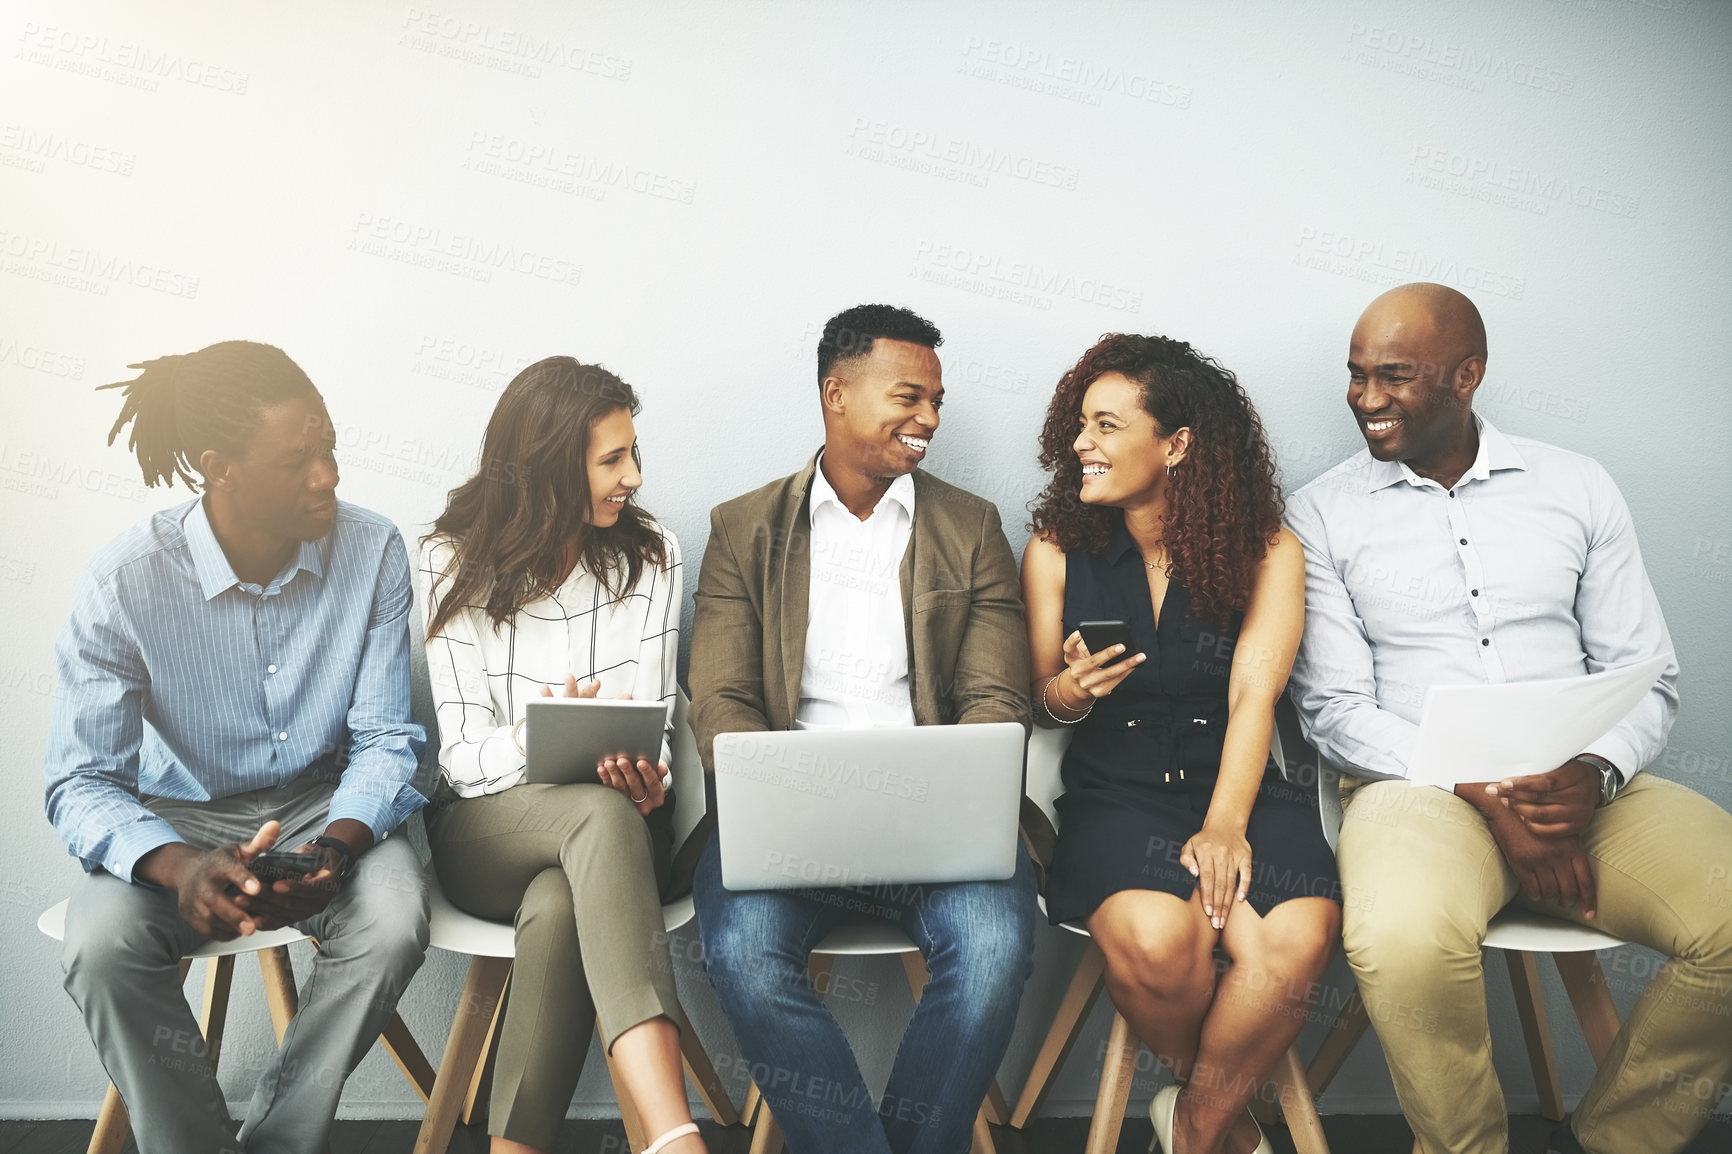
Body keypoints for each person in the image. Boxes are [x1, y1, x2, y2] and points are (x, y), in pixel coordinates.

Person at [1286, 283, 1732, 1154]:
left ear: (1467, 376)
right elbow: (1331, 710)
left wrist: (1594, 773)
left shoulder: (1577, 485)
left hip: (1585, 783)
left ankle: (1611, 1141)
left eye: (1395, 376)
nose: (1366, 399)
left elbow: (1648, 675)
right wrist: (1486, 789)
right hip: (1415, 787)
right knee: (1403, 941)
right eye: (1356, 375)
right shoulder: (1321, 512)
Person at [45, 341, 430, 1154]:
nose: (328, 475)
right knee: (101, 945)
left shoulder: (376, 550)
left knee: (394, 920)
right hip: (180, 822)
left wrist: (334, 847)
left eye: (329, 448)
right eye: (298, 460)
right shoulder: (125, 581)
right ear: (221, 468)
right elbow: (81, 783)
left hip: (329, 806)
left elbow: (387, 739)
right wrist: (180, 867)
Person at [686, 304, 1038, 1154]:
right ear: (836, 393)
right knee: (739, 951)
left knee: (993, 950)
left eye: (938, 402)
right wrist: (783, 790)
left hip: (937, 824)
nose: (929, 421)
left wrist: (946, 783)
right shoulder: (743, 528)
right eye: (909, 397)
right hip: (790, 824)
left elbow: (998, 699)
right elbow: (722, 700)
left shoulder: (971, 526)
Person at [1022, 334, 1341, 1154]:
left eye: (1104, 426)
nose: (1080, 446)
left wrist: (1226, 823)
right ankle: (1232, 1135)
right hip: (1115, 794)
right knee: (1163, 942)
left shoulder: (1270, 550)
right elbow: (1040, 705)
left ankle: (1192, 1127)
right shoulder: (1056, 550)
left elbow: (1252, 695)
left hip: (1238, 785)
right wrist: (1066, 692)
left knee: (1293, 941)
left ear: (1177, 444)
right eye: (1079, 427)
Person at [418, 357, 704, 1154]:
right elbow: (465, 758)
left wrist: (650, 783)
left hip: (613, 834)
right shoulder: (449, 559)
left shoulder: (655, 559)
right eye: (613, 459)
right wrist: (547, 731)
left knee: (562, 896)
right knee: (593, 819)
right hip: (486, 833)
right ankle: (675, 1135)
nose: (634, 477)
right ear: (547, 466)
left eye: (633, 454)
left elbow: (656, 720)